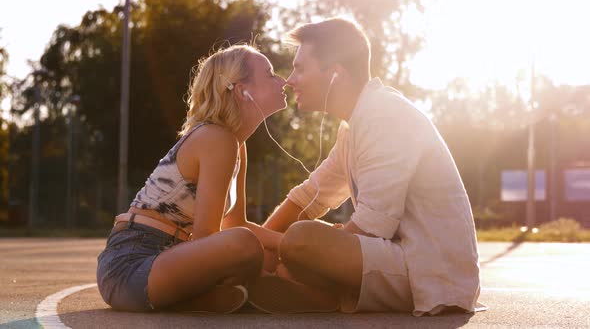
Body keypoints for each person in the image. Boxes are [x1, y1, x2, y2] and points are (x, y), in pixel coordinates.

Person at [247, 18, 486, 316]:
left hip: (431, 272)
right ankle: (316, 294)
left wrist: (273, 244)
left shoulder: (384, 115)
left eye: (300, 68)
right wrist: (254, 248)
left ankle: (314, 289)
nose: (289, 80)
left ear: (336, 74)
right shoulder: (355, 124)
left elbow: (372, 229)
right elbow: (309, 197)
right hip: (398, 261)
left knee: (301, 240)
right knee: (293, 247)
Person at [96, 44, 287, 313]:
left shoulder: (237, 146)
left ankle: (213, 298)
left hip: (172, 259)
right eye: (270, 74)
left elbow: (235, 222)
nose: (283, 79)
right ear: (243, 91)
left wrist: (288, 243)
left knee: (260, 250)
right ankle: (243, 291)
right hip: (132, 265)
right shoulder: (216, 138)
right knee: (245, 245)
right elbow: (206, 237)